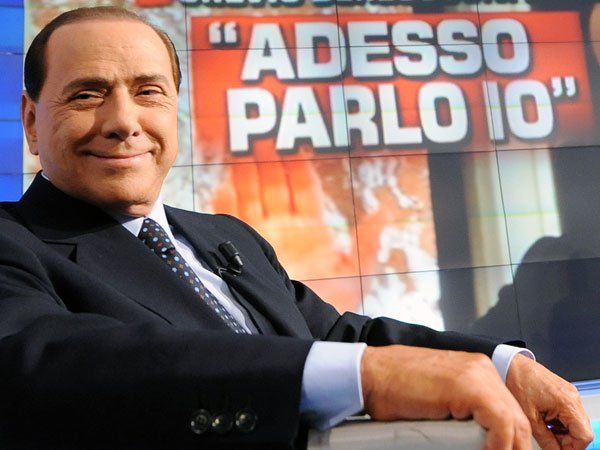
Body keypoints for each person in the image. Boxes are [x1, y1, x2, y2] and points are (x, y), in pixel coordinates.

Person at [0, 6, 592, 450]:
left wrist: (504, 364)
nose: (123, 121)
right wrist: (367, 378)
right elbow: (53, 367)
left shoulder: (224, 234)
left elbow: (339, 332)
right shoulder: (13, 242)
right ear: (30, 121)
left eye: (148, 91)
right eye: (87, 94)